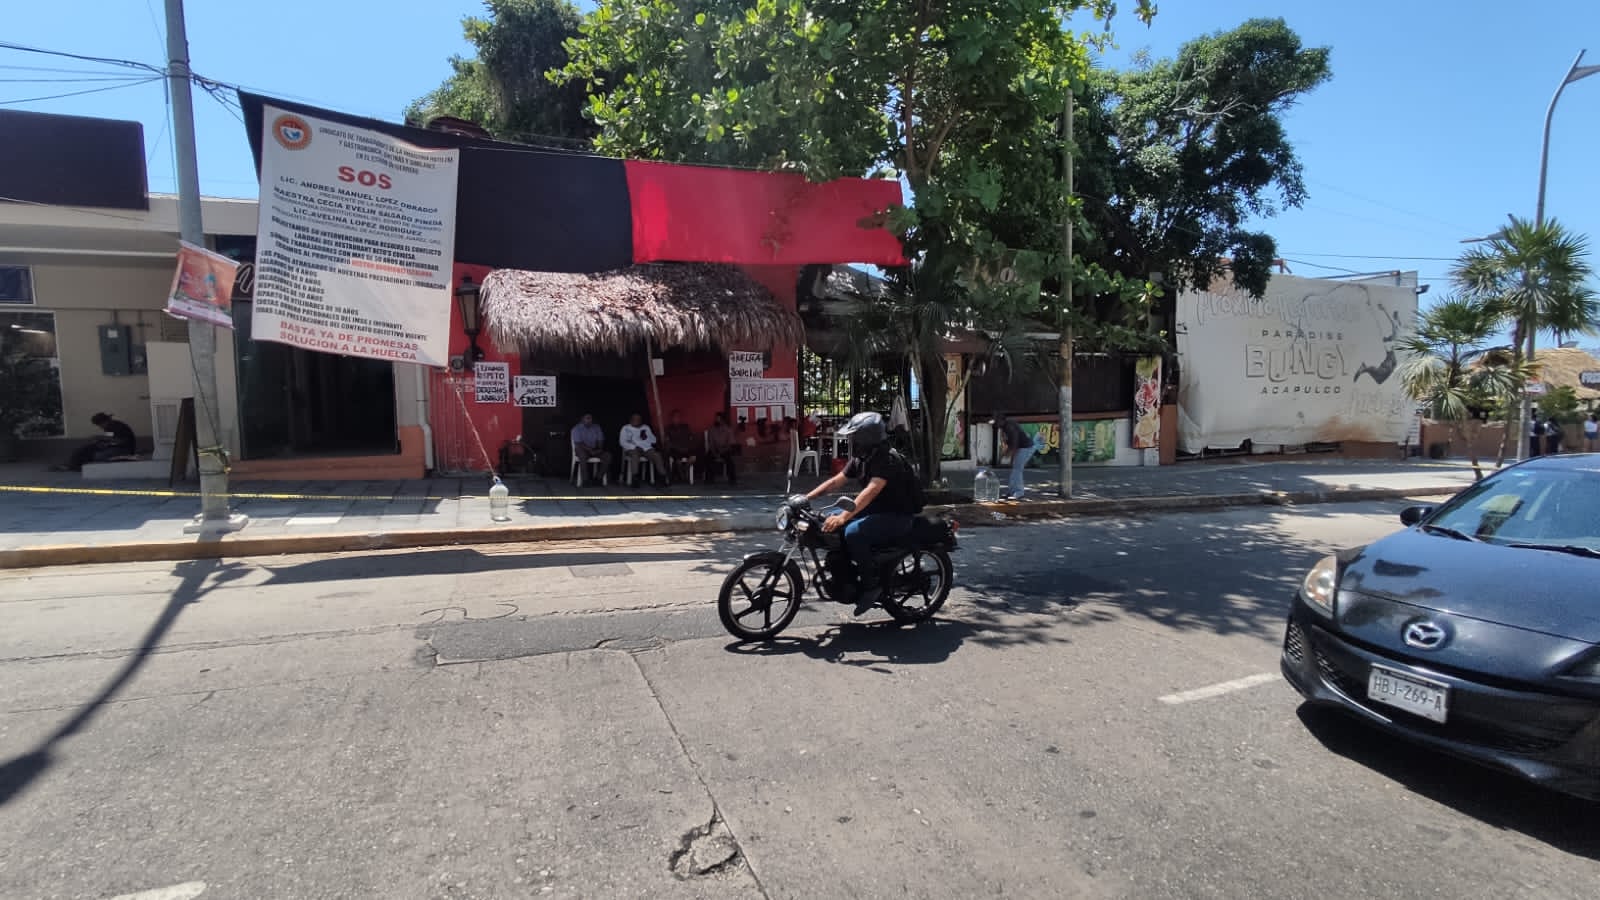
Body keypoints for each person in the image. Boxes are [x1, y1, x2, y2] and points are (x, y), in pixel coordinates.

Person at [806, 411, 921, 612]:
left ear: (866, 439)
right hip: (876, 510)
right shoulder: (862, 458)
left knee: (853, 532)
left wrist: (843, 517)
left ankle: (871, 584)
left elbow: (871, 490)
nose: (851, 441)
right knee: (827, 518)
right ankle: (846, 571)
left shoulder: (887, 459)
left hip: (898, 515)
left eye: (854, 437)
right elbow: (835, 482)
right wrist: (806, 498)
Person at [56, 412, 136, 472]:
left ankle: (76, 466)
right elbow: (110, 438)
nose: (100, 427)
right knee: (86, 449)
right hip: (116, 447)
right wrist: (101, 442)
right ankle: (71, 464)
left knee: (97, 456)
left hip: (125, 450)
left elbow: (121, 441)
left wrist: (101, 438)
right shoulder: (108, 427)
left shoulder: (118, 426)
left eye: (100, 425)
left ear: (105, 421)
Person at [994, 411, 1034, 501]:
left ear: (1001, 420)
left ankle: (1019, 492)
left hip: (1025, 447)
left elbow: (1015, 444)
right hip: (1021, 447)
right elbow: (1010, 444)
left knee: (1017, 469)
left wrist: (1009, 456)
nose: (996, 423)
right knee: (1015, 469)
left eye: (997, 421)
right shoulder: (1004, 427)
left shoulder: (1010, 426)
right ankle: (1011, 491)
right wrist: (1005, 455)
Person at [620, 412, 668, 486]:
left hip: (646, 449)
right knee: (635, 455)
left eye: (638, 419)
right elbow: (622, 442)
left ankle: (663, 477)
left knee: (657, 455)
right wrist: (634, 447)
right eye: (635, 419)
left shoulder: (645, 427)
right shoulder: (625, 428)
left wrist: (647, 436)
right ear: (631, 420)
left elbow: (654, 440)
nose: (637, 420)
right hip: (632, 449)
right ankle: (635, 479)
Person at [570, 413, 612, 478]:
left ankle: (598, 478)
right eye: (587, 418)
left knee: (608, 456)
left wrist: (599, 449)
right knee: (582, 455)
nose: (590, 420)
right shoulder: (576, 429)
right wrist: (590, 450)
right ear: (582, 419)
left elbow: (600, 439)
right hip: (582, 450)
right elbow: (579, 443)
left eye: (591, 418)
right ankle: (585, 480)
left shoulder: (596, 427)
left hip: (594, 449)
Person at [664, 410, 698, 482]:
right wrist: (675, 447)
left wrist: (689, 444)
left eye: (678, 417)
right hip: (676, 449)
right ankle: (682, 475)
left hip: (686, 448)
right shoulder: (669, 428)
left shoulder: (685, 427)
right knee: (678, 461)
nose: (677, 419)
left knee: (693, 458)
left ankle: (686, 469)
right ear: (672, 418)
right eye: (675, 417)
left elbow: (691, 437)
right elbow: (667, 441)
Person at [705, 412, 738, 485]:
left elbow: (731, 443)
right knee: (708, 458)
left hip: (725, 449)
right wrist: (714, 452)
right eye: (716, 418)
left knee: (730, 461)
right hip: (715, 449)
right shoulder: (712, 430)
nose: (716, 420)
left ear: (723, 420)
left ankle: (732, 480)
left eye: (718, 419)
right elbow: (710, 443)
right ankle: (709, 479)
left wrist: (722, 451)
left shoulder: (728, 430)